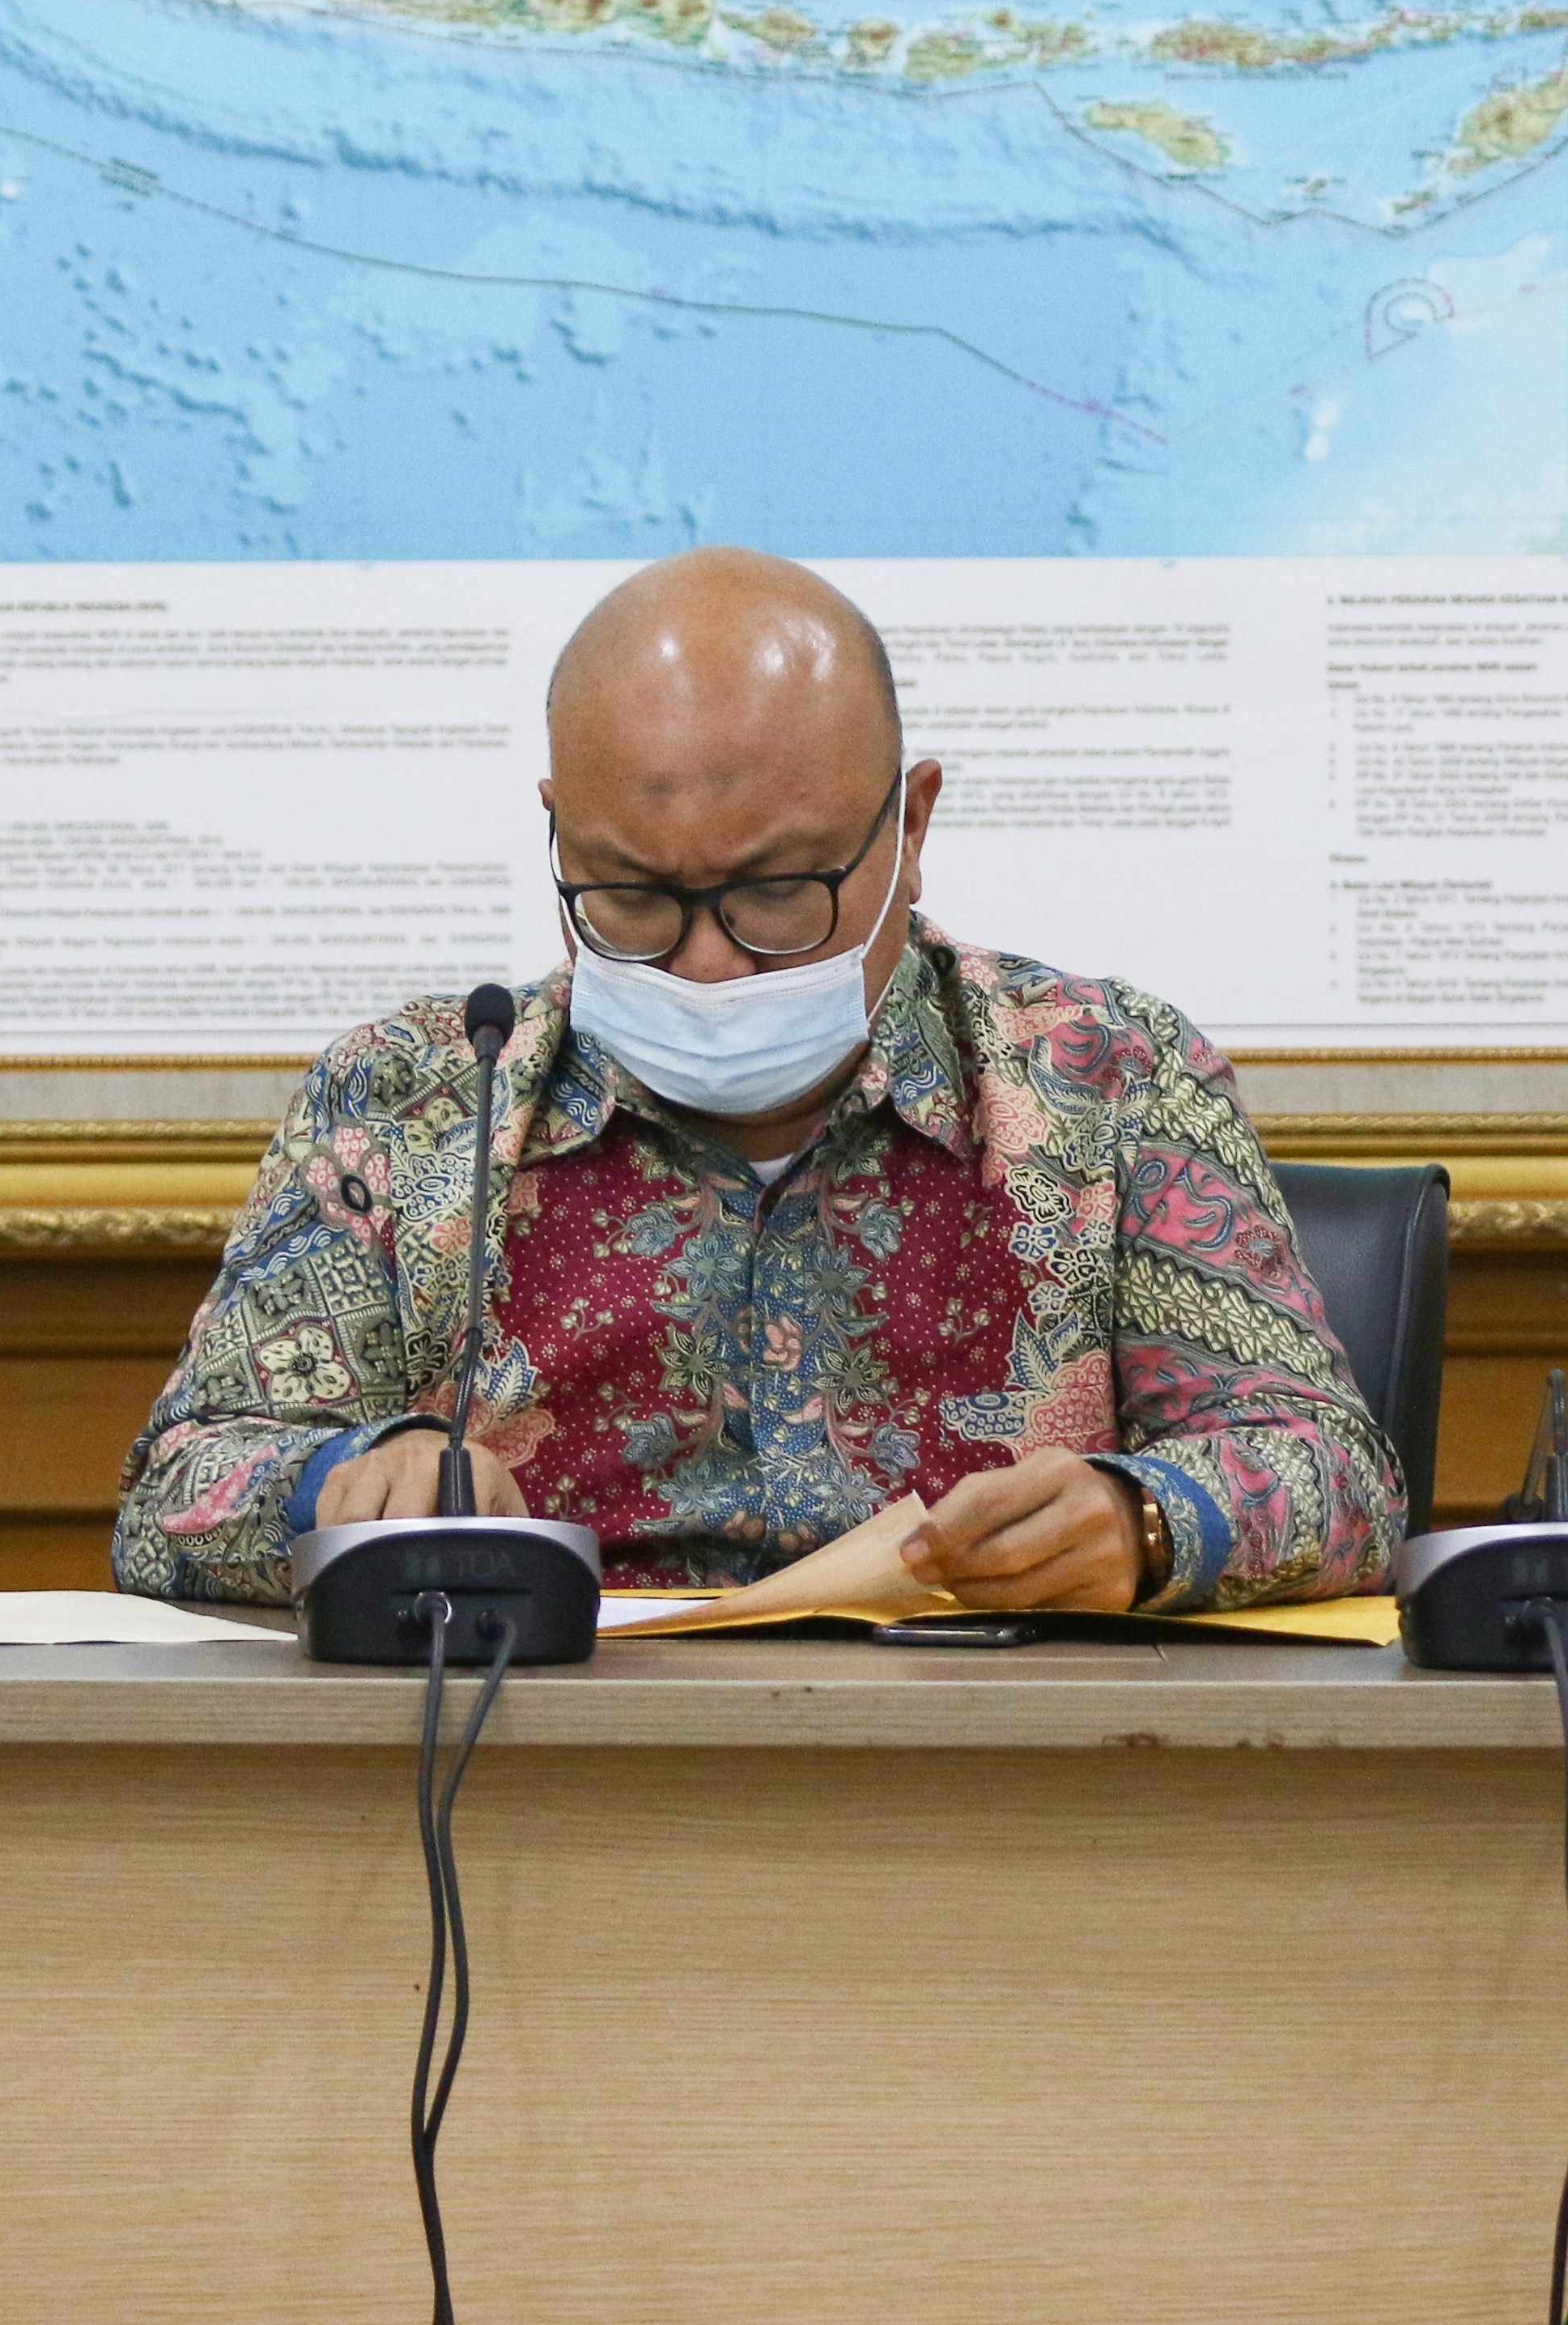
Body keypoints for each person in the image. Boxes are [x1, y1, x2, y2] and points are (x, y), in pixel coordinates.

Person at [117, 546, 1400, 1612]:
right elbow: (174, 1491)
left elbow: (1335, 1471)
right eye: (629, 896)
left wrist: (1149, 1518)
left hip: (1001, 1790)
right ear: (557, 827)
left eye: (779, 893)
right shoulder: (408, 1097)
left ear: (913, 826)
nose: (711, 962)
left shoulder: (1111, 1079)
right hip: (527, 1784)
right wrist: (345, 1474)